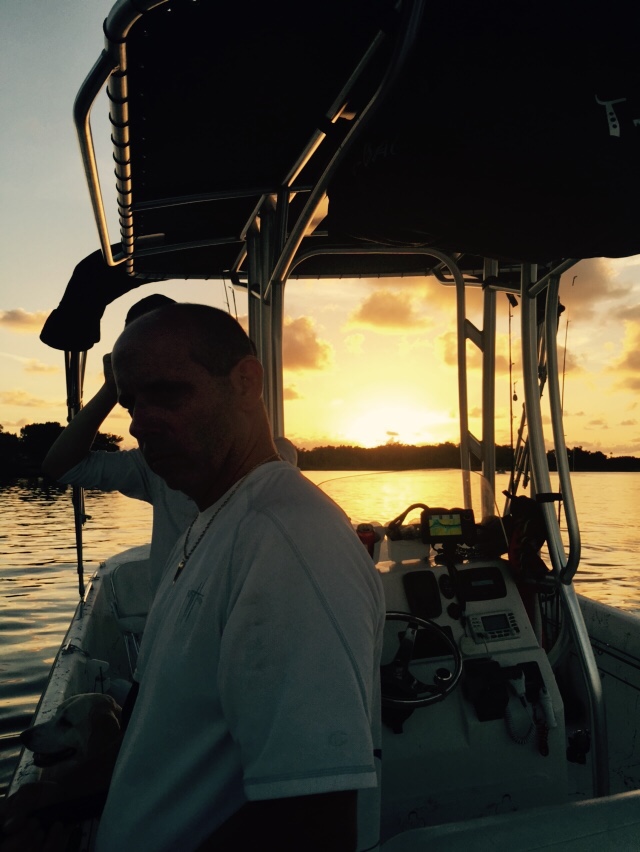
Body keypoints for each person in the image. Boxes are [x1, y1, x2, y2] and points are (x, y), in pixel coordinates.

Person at [94, 303, 385, 852]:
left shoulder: (287, 541)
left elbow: (310, 825)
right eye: (132, 403)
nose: (139, 423)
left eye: (167, 393)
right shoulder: (210, 521)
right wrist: (74, 796)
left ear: (246, 383)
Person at [42, 295, 197, 596]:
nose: (136, 426)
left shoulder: (265, 469)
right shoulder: (153, 464)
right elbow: (62, 466)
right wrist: (112, 388)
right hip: (167, 616)